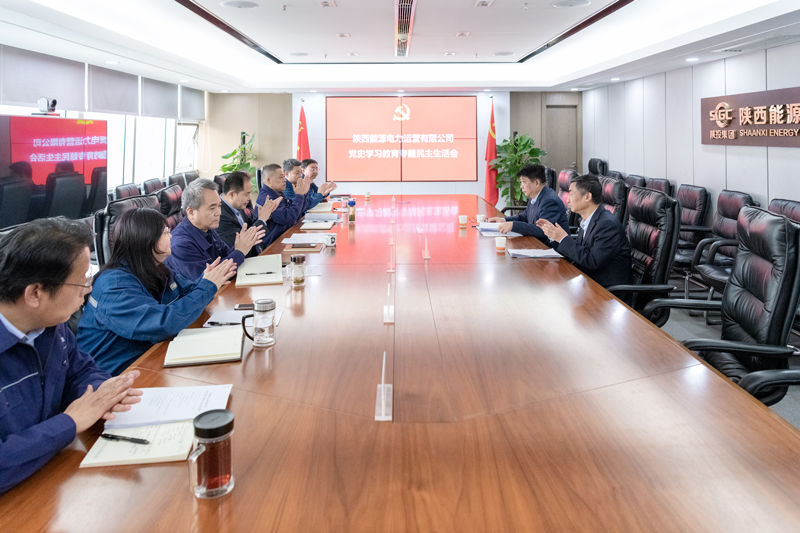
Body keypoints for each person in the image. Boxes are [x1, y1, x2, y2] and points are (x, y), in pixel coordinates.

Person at [0, 218, 142, 494]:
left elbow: (79, 371)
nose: (87, 291)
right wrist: (71, 422)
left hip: (52, 476)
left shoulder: (50, 323)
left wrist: (102, 394)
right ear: (35, 293)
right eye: (81, 282)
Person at [77, 208, 238, 376]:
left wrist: (206, 280)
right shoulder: (113, 286)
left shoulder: (156, 268)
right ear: (147, 239)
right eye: (166, 232)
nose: (171, 236)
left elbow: (186, 292)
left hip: (150, 356)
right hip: (115, 375)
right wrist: (207, 286)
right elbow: (162, 323)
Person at [537, 173, 631, 288]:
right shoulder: (587, 219)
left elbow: (592, 261)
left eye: (571, 194)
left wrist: (563, 238)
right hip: (587, 282)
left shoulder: (607, 225)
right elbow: (580, 253)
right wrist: (554, 236)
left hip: (606, 291)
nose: (568, 200)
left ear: (587, 197)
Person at [165, 178, 264, 280]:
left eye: (219, 206)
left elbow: (226, 256)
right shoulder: (180, 246)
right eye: (212, 208)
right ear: (191, 212)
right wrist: (240, 251)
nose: (219, 212)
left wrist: (242, 244)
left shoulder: (207, 228)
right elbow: (208, 281)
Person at [488, 164, 569, 245]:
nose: (521, 186)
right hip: (537, 243)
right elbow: (524, 217)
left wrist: (513, 226)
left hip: (550, 248)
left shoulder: (550, 201)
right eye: (521, 182)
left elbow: (543, 231)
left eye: (524, 182)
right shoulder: (535, 196)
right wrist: (504, 220)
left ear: (536, 183)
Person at [218, 171, 283, 256]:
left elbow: (249, 227)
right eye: (246, 194)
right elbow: (243, 245)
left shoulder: (237, 205)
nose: (249, 198)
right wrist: (262, 219)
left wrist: (266, 214)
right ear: (232, 194)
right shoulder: (220, 216)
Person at [256, 163, 311, 234]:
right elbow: (289, 218)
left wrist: (303, 194)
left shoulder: (276, 193)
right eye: (281, 177)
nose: (284, 180)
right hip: (276, 239)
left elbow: (298, 212)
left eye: (284, 177)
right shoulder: (267, 198)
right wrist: (299, 195)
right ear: (269, 180)